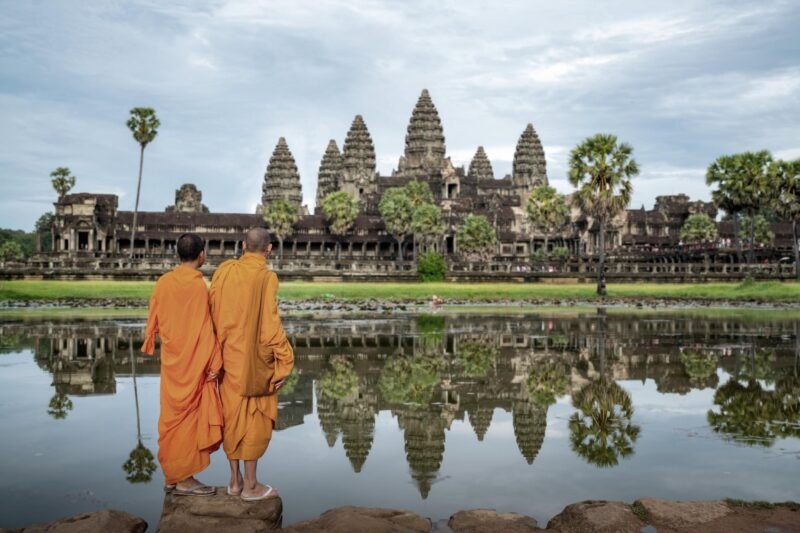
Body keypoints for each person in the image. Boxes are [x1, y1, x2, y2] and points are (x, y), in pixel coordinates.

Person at [210, 227, 294, 501]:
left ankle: (233, 482)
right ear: (269, 249)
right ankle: (251, 485)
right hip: (253, 361)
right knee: (253, 418)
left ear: (243, 245)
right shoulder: (266, 277)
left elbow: (212, 310)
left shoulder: (224, 270)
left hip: (226, 357)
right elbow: (270, 326)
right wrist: (285, 359)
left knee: (232, 417)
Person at [141, 233, 223, 496]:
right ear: (202, 254)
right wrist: (214, 360)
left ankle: (172, 476)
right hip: (193, 363)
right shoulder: (199, 286)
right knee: (187, 419)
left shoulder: (163, 283)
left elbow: (154, 320)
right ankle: (184, 479)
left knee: (171, 418)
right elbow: (204, 328)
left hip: (173, 361)